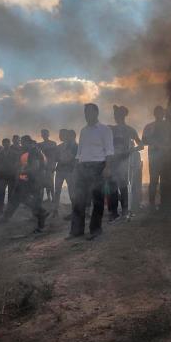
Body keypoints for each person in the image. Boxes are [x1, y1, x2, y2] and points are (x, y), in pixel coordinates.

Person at [69, 103, 114, 240]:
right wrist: (76, 168)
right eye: (85, 112)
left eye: (89, 112)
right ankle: (76, 231)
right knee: (78, 199)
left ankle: (95, 230)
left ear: (96, 113)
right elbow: (79, 152)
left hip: (98, 166)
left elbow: (109, 151)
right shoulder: (83, 131)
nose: (87, 115)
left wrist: (107, 167)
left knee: (97, 199)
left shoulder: (105, 130)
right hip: (83, 167)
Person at [0, 135, 50, 231]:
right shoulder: (30, 151)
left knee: (27, 199)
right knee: (16, 197)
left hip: (34, 180)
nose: (22, 145)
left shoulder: (34, 152)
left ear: (28, 142)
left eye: (23, 143)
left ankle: (41, 219)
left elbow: (35, 167)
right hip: (28, 179)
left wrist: (21, 171)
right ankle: (6, 217)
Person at [107, 105, 142, 220]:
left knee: (122, 186)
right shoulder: (111, 129)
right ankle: (114, 212)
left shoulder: (129, 129)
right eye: (115, 115)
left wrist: (130, 151)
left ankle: (124, 211)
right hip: (112, 160)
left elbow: (141, 145)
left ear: (122, 115)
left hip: (124, 161)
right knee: (112, 185)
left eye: (117, 114)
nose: (115, 117)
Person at [142, 105, 170, 211]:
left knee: (165, 181)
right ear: (154, 114)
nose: (159, 114)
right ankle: (152, 204)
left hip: (166, 157)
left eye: (161, 112)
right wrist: (155, 143)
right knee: (153, 181)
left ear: (163, 114)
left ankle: (165, 204)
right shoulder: (149, 126)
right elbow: (144, 140)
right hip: (154, 157)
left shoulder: (168, 126)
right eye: (157, 112)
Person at [53, 129, 78, 215]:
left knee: (71, 191)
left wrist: (62, 159)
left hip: (69, 171)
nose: (60, 136)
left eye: (62, 134)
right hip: (61, 170)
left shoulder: (75, 146)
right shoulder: (59, 146)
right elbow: (56, 158)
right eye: (60, 134)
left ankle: (74, 210)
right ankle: (55, 209)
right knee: (57, 190)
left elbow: (73, 159)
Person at [38, 129, 58, 203]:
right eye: (43, 134)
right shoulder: (40, 144)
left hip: (50, 165)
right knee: (45, 182)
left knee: (51, 182)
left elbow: (55, 155)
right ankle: (49, 198)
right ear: (41, 135)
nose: (44, 135)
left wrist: (54, 165)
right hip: (43, 166)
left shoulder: (53, 143)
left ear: (48, 134)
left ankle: (53, 198)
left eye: (45, 134)